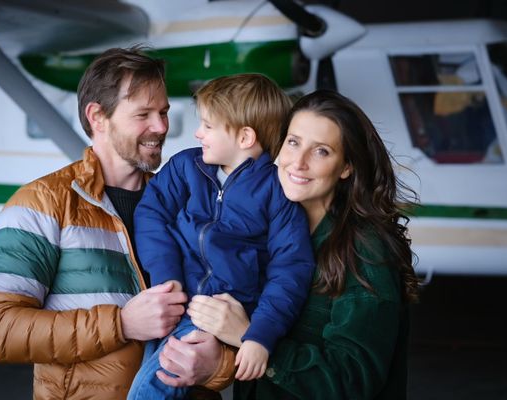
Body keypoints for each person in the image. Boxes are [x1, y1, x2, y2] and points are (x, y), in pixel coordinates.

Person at [0, 46, 232, 400]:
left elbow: (228, 307)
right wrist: (122, 324)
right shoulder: (40, 205)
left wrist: (218, 364)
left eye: (163, 111)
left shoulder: (189, 204)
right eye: (143, 114)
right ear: (97, 116)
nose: (161, 127)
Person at [174, 89, 421, 399]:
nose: (298, 163)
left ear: (346, 167)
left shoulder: (364, 251)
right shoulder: (265, 233)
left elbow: (354, 381)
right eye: (293, 142)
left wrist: (251, 337)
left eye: (321, 151)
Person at [127, 74, 316, 399]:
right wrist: (166, 277)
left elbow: (291, 269)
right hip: (171, 301)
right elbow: (151, 214)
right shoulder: (186, 167)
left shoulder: (277, 192)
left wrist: (259, 335)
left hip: (216, 313)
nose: (198, 133)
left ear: (244, 137)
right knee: (145, 379)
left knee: (150, 390)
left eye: (209, 126)